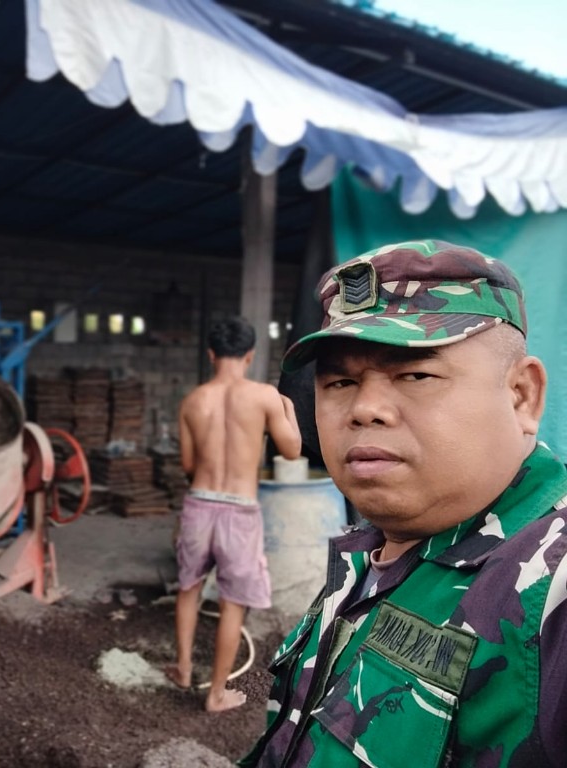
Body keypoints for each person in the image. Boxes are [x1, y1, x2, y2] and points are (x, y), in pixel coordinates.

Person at [240, 240, 567, 767]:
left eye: (415, 375)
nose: (364, 408)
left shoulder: (552, 591)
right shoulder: (372, 550)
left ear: (521, 395)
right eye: (341, 381)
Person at [166, 316, 302, 712]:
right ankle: (216, 694)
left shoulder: (193, 400)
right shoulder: (263, 396)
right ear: (250, 355)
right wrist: (288, 408)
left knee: (188, 589)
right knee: (232, 604)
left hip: (199, 504)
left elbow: (189, 465)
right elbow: (292, 452)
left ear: (211, 355)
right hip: (239, 511)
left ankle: (184, 668)